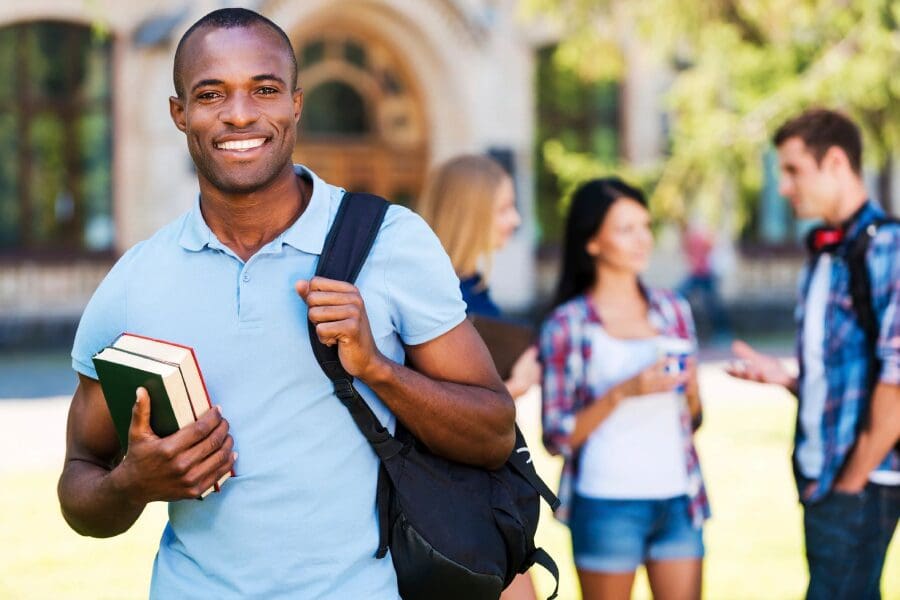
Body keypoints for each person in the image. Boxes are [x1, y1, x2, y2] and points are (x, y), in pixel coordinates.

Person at [56, 9, 515, 599]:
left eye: (264, 90)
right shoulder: (133, 282)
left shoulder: (392, 241)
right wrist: (131, 484)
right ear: (179, 113)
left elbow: (494, 432)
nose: (241, 113)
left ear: (296, 104)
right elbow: (78, 485)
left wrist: (377, 367)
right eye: (211, 94)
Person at [727, 109, 900, 600]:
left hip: (863, 480)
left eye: (793, 170)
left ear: (837, 163)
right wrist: (786, 378)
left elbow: (897, 381)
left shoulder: (888, 247)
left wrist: (851, 482)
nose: (783, 187)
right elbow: (851, 376)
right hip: (823, 475)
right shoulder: (824, 253)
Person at [540, 178, 709, 600]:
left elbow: (695, 418)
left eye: (646, 226)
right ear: (592, 242)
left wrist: (689, 389)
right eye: (625, 229)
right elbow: (558, 436)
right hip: (606, 503)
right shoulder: (567, 325)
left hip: (678, 500)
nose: (642, 240)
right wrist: (623, 391)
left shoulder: (674, 310)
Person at [416, 154, 541, 600]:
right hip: (454, 494)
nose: (515, 219)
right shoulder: (432, 299)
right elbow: (427, 411)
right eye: (504, 207)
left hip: (492, 481)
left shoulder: (475, 288)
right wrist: (516, 387)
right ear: (472, 211)